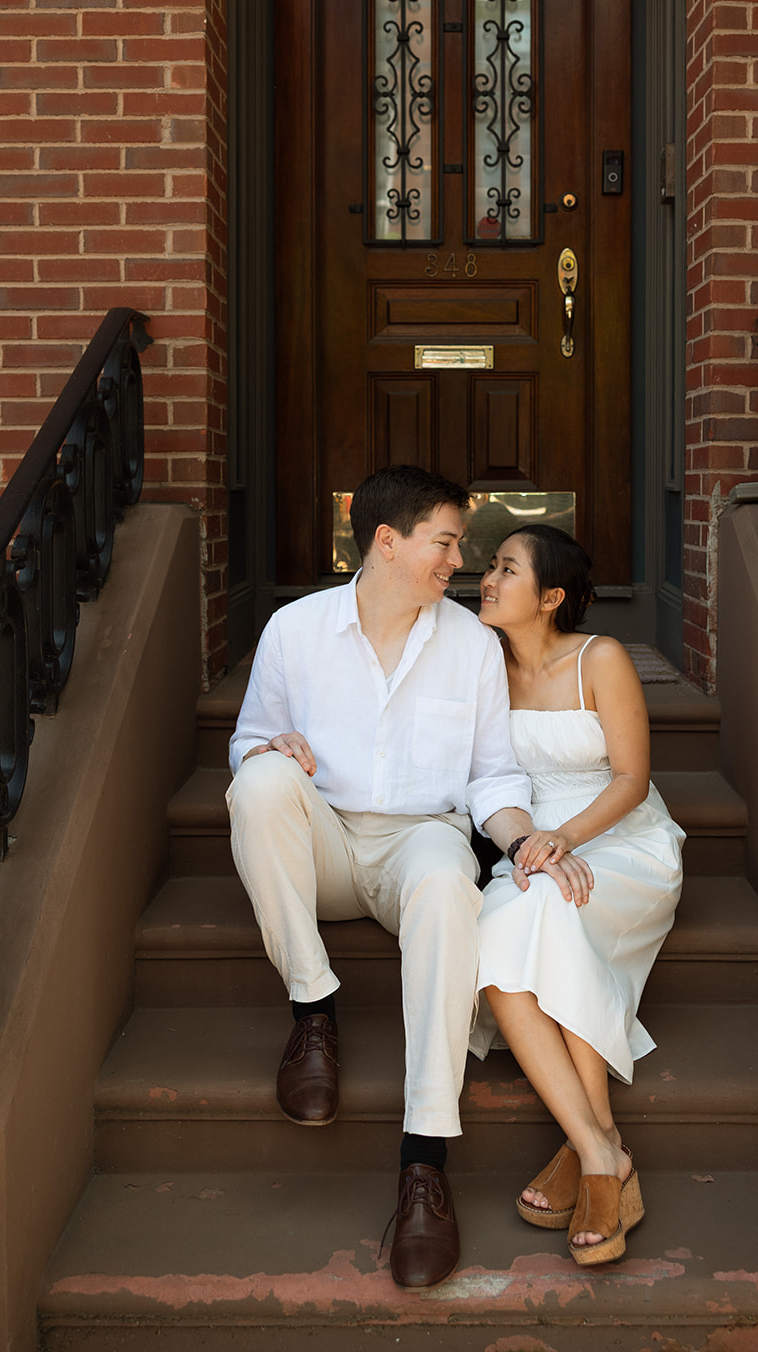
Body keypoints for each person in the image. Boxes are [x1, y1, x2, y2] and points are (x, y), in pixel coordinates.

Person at [227, 466, 571, 1289]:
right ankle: (314, 1009)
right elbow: (245, 744)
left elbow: (491, 776)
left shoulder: (470, 645)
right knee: (261, 781)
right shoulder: (293, 630)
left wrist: (525, 838)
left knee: (450, 883)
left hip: (421, 840)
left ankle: (424, 1162)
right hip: (328, 845)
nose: (459, 559)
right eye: (445, 542)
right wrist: (273, 750)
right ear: (388, 542)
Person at [468, 524, 684, 1266]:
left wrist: (566, 840)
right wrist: (536, 844)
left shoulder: (601, 658)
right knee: (498, 934)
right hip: (530, 845)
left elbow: (630, 778)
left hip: (618, 840)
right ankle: (601, 1149)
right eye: (490, 565)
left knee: (552, 910)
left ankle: (591, 1151)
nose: (486, 578)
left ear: (551, 596)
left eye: (505, 569)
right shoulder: (478, 662)